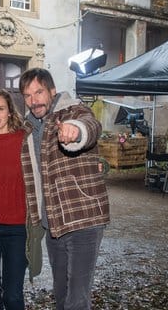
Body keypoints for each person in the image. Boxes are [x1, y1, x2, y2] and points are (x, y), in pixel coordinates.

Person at [19, 68, 110, 310]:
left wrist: (76, 131)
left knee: (77, 300)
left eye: (39, 92)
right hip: (53, 226)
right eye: (27, 95)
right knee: (60, 294)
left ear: (52, 91)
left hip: (83, 220)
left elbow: (91, 126)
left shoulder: (73, 110)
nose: (34, 100)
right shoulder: (26, 128)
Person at [0, 89, 45, 309]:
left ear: (10, 112)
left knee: (12, 296)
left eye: (0, 109)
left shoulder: (27, 140)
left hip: (18, 231)